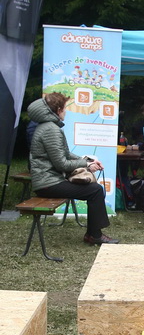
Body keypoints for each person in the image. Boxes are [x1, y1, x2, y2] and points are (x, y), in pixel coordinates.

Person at [28, 92, 118, 245]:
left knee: (94, 190)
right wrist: (86, 164)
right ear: (58, 110)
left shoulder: (48, 127)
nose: (66, 111)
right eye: (64, 108)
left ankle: (93, 234)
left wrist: (87, 161)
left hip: (48, 181)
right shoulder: (51, 129)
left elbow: (64, 153)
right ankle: (94, 235)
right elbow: (62, 164)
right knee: (95, 190)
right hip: (48, 184)